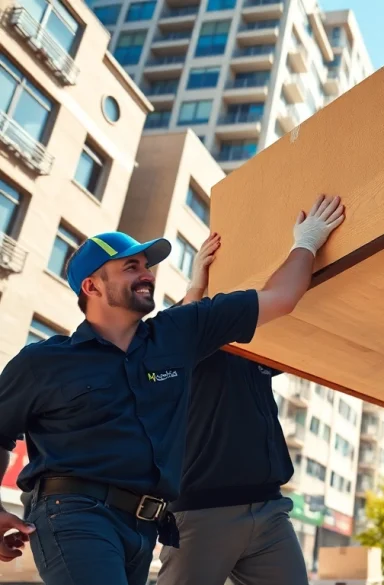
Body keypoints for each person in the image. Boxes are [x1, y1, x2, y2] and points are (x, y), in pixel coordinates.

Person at [0, 194, 346, 585]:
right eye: (131, 267)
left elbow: (280, 299)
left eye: (147, 266)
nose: (147, 273)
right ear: (92, 286)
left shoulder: (176, 335)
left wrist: (307, 241)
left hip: (144, 524)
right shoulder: (43, 362)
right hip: (70, 511)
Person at [156, 233, 307, 585]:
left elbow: (286, 304)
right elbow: (177, 326)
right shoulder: (179, 338)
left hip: (270, 510)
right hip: (201, 510)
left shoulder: (257, 347)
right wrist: (196, 286)